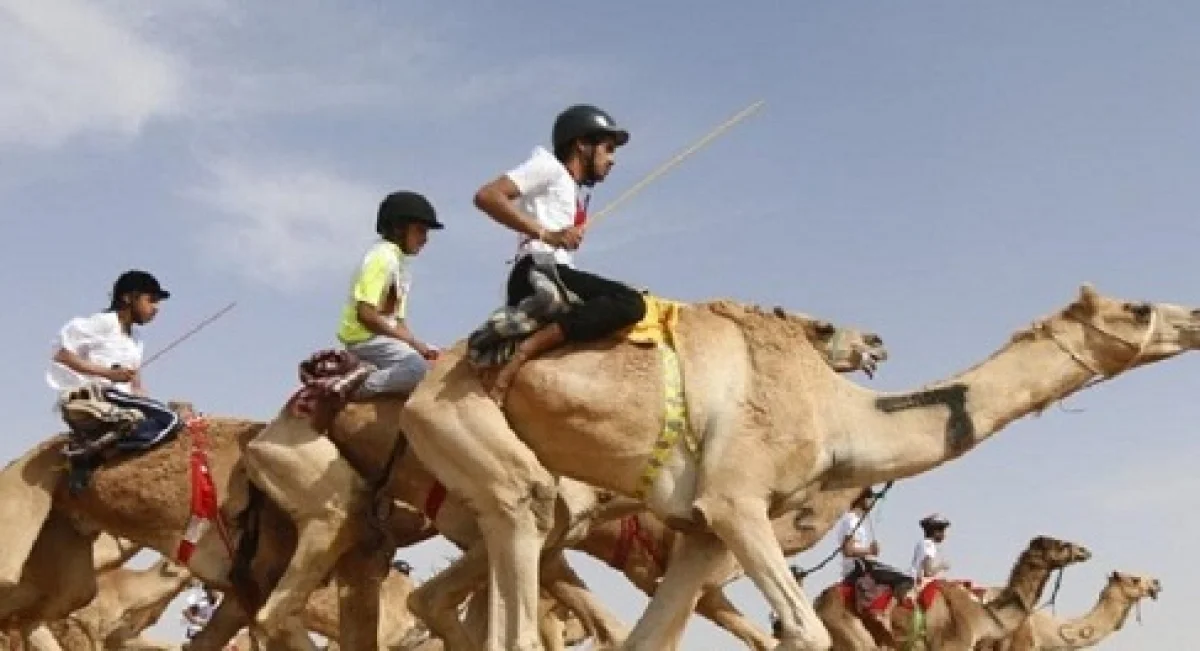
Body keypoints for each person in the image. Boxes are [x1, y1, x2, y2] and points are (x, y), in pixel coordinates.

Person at [473, 104, 647, 398]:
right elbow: (487, 196)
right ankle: (528, 348)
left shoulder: (571, 189)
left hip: (551, 271)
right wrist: (546, 234)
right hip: (536, 271)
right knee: (629, 302)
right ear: (582, 144)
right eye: (608, 148)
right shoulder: (549, 168)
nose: (612, 160)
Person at [47, 270, 180, 447]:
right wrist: (109, 373)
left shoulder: (137, 338)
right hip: (100, 396)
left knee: (166, 416)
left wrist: (145, 401)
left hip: (121, 402)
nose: (156, 308)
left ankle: (108, 442)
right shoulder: (105, 322)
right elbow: (62, 355)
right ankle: (117, 444)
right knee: (170, 418)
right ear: (128, 298)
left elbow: (136, 386)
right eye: (151, 300)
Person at [336, 190, 443, 398]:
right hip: (365, 338)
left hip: (383, 338)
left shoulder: (401, 267)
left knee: (437, 364)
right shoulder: (381, 258)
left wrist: (421, 346)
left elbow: (398, 323)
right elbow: (366, 315)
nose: (425, 239)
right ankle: (352, 389)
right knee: (416, 369)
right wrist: (412, 345)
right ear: (398, 228)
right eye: (420, 231)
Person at [911, 513, 951, 584]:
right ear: (935, 531)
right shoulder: (928, 544)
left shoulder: (924, 543)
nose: (944, 535)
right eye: (942, 531)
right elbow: (928, 572)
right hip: (920, 584)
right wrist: (942, 565)